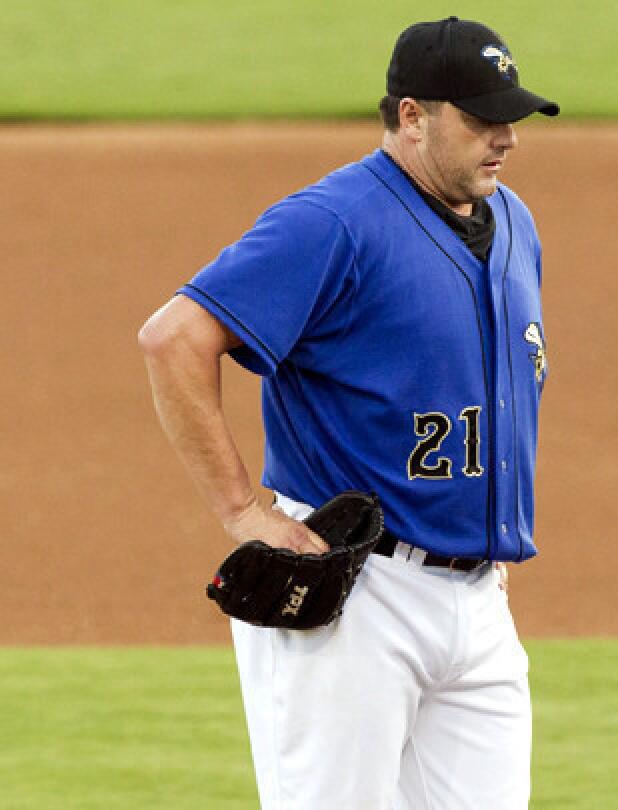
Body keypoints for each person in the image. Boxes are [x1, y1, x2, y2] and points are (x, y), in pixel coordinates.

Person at [137, 17, 558, 809]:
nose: (503, 137)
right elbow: (173, 340)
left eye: (510, 117)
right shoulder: (332, 222)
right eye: (480, 119)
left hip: (477, 601)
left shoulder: (514, 222)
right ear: (411, 116)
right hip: (356, 596)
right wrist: (243, 512)